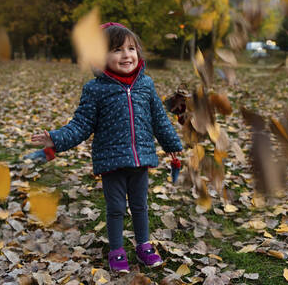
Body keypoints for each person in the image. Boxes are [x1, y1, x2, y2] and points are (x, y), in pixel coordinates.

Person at [27, 22, 183, 273]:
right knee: (116, 208)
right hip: (111, 162)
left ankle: (144, 245)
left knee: (141, 205)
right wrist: (55, 139)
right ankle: (117, 250)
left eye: (131, 48)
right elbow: (80, 125)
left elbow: (159, 119)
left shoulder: (146, 85)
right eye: (117, 50)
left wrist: (172, 145)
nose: (126, 55)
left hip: (141, 158)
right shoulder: (95, 89)